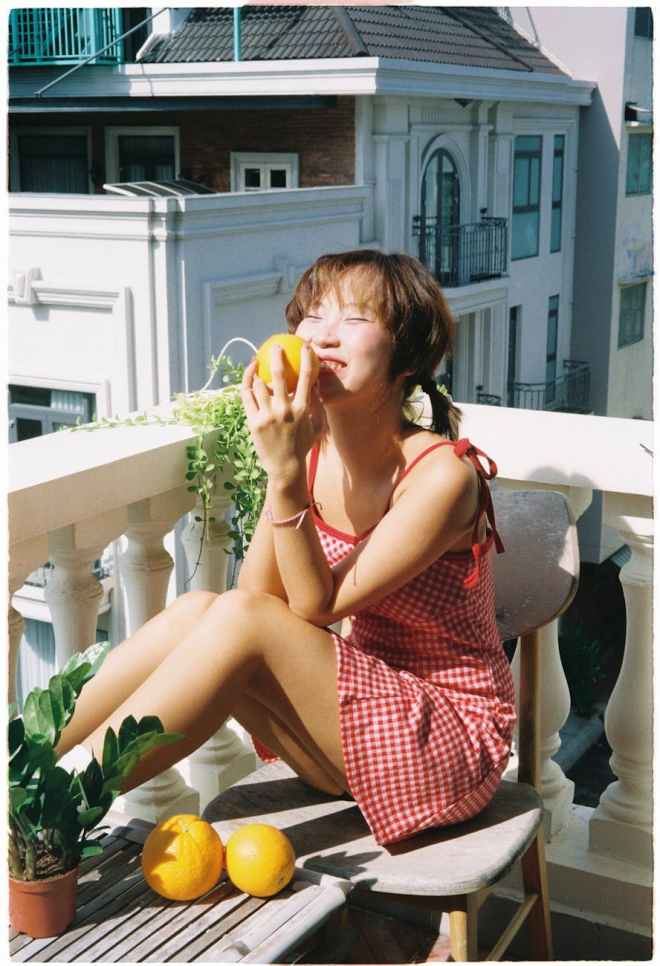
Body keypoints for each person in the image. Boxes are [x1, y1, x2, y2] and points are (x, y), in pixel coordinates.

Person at [55, 250, 515, 846]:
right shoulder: (314, 454)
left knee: (235, 615)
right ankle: (30, 764)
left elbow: (316, 609)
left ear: (406, 353)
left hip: (448, 743)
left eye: (354, 320)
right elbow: (252, 600)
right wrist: (293, 463)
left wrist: (283, 473)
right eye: (313, 316)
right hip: (356, 723)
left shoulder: (443, 477)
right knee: (202, 609)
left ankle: (58, 807)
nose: (323, 336)